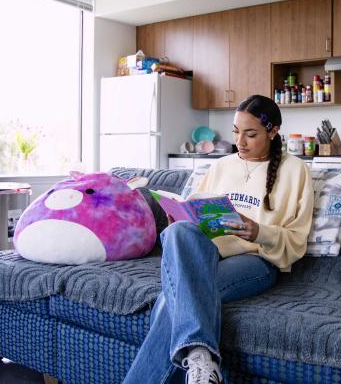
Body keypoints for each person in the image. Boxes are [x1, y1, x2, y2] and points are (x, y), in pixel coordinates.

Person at [123, 95, 314, 384]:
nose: (241, 141)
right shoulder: (221, 165)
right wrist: (182, 218)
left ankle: (199, 358)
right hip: (209, 252)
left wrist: (258, 231)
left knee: (168, 300)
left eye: (251, 134)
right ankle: (201, 358)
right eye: (236, 132)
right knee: (177, 232)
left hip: (256, 260)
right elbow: (194, 208)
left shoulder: (295, 171)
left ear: (273, 132)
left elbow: (297, 240)